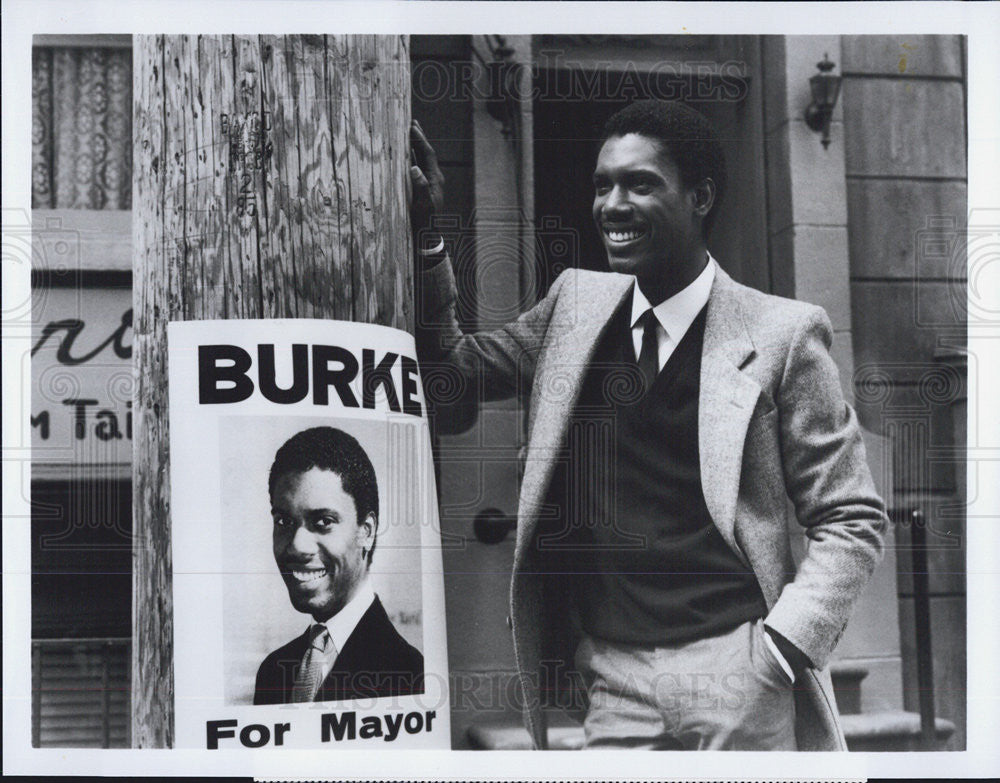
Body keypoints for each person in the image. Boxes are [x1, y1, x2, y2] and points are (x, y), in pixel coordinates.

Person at [409, 101, 887, 750]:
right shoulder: (573, 307)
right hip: (614, 679)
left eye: (640, 183)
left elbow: (852, 515)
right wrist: (429, 240)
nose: (612, 204)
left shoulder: (782, 333)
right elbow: (453, 384)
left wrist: (781, 648)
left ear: (701, 197)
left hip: (738, 672)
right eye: (602, 184)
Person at [253, 426, 424, 705]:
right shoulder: (273, 671)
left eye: (323, 522)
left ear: (366, 532)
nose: (297, 545)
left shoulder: (410, 675)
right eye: (284, 521)